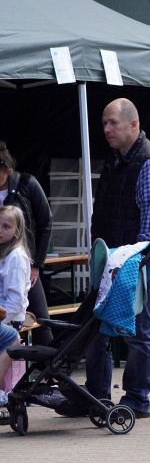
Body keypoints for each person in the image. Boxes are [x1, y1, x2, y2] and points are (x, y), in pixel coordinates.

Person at [80, 98, 150, 419]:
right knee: (95, 331)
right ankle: (95, 397)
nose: (105, 129)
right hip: (109, 262)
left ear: (134, 124)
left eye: (112, 123)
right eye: (104, 123)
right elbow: (101, 214)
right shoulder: (115, 159)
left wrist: (133, 265)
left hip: (133, 265)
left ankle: (135, 401)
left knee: (137, 333)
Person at [0, 142, 54, 346]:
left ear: (8, 171)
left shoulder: (27, 183)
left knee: (40, 318)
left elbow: (46, 222)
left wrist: (36, 265)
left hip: (22, 259)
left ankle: (51, 371)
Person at [0, 206, 31, 417]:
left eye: (6, 226)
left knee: (12, 339)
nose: (0, 230)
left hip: (10, 318)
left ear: (17, 230)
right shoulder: (4, 251)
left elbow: (16, 303)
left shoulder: (16, 257)